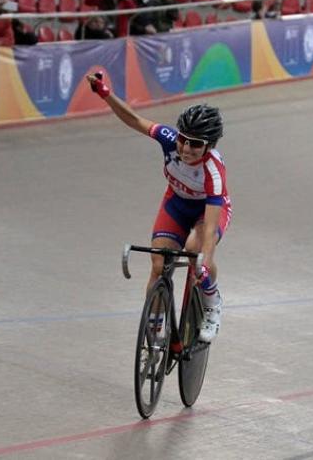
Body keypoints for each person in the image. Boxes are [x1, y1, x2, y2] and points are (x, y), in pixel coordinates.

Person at [86, 72, 231, 342]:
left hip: (206, 212)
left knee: (194, 251)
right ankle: (155, 323)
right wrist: (105, 93)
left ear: (209, 146)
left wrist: (204, 261)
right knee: (158, 262)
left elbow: (210, 228)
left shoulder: (212, 171)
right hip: (176, 204)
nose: (186, 148)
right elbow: (133, 119)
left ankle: (212, 303)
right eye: (183, 140)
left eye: (195, 145)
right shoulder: (168, 138)